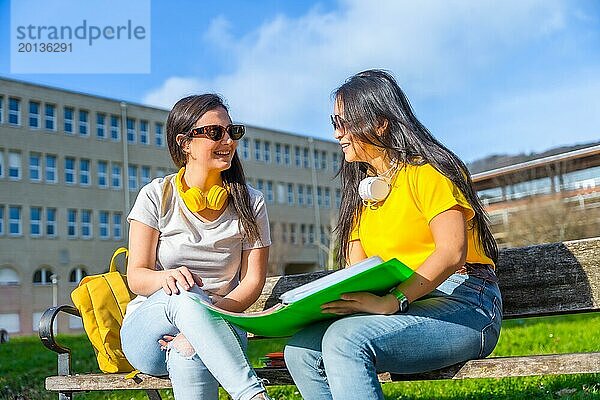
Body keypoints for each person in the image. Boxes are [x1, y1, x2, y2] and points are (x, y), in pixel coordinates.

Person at [284, 70, 503, 400]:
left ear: (379, 122)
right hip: (405, 305)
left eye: (344, 122)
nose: (336, 133)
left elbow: (450, 251)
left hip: (466, 304)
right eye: (335, 122)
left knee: (345, 341)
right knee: (300, 350)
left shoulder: (429, 172)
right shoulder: (361, 195)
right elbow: (358, 273)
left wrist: (394, 299)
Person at [120, 94, 272, 400]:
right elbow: (136, 276)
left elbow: (253, 281)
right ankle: (252, 395)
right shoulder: (155, 195)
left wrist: (204, 319)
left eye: (233, 131)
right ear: (185, 143)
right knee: (186, 294)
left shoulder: (252, 202)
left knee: (189, 350)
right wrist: (167, 278)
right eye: (215, 132)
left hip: (222, 323)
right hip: (150, 332)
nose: (228, 140)